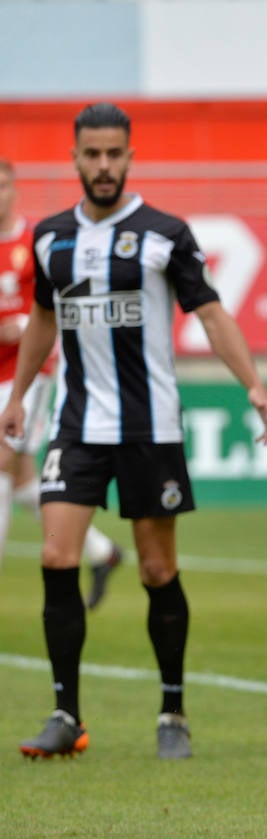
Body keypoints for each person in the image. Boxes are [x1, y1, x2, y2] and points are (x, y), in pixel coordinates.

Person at [0, 103, 267, 761]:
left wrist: (254, 384)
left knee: (158, 568)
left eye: (114, 155)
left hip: (149, 427)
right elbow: (43, 318)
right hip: (77, 422)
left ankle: (172, 712)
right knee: (55, 558)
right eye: (92, 155)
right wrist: (17, 397)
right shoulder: (49, 237)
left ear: (129, 157)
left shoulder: (164, 234)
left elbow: (211, 314)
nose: (103, 166)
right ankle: (66, 713)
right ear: (76, 158)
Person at [0, 157, 123, 606]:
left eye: (3, 185)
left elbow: (55, 305)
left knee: (2, 459)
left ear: (14, 188)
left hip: (26, 373)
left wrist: (19, 325)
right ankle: (101, 551)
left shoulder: (35, 241)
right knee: (21, 482)